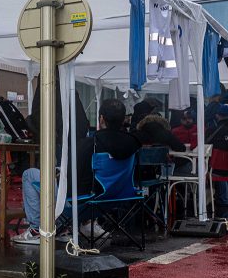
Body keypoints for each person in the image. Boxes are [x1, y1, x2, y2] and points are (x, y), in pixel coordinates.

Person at [16, 99, 139, 244]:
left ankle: (37, 229)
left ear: (101, 119)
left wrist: (59, 175)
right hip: (117, 198)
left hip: (84, 202)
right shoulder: (133, 142)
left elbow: (71, 179)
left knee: (29, 174)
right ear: (123, 119)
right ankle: (62, 228)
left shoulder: (90, 144)